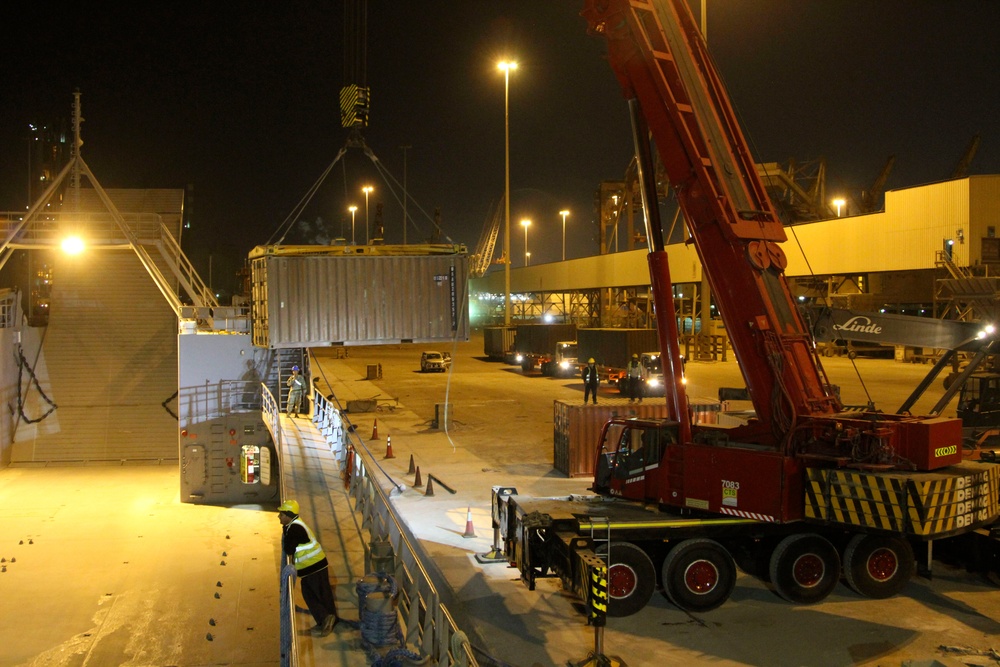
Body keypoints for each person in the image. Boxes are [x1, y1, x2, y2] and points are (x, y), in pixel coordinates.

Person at [278, 499, 339, 636]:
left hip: (312, 567)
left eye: (281, 514)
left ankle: (325, 618)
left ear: (288, 515)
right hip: (317, 564)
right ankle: (330, 619)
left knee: (310, 594)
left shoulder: (294, 528)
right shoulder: (296, 524)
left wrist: (285, 532)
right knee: (323, 593)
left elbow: (288, 549)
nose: (279, 517)